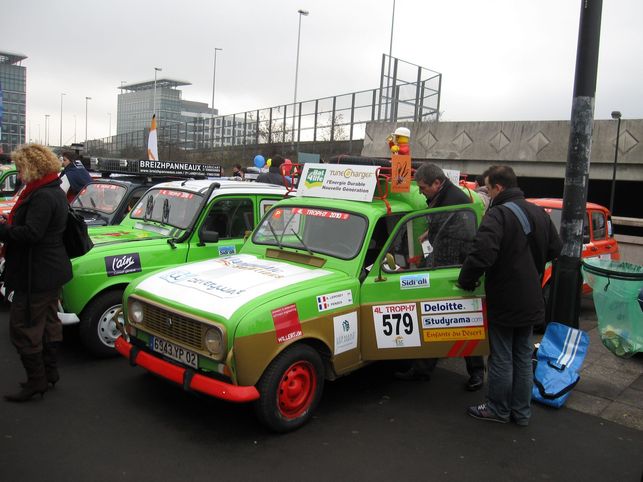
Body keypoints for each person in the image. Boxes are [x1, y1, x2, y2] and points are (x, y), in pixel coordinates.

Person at [458, 165, 562, 425]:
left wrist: (466, 279)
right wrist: (529, 265)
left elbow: (481, 255)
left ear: (498, 187)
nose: (488, 193)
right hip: (531, 298)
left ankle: (498, 409)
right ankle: (521, 412)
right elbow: (555, 248)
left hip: (505, 298)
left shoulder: (498, 215)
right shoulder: (539, 212)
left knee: (502, 355)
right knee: (523, 357)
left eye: (488, 187)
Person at [395, 163, 486, 391]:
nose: (422, 192)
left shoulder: (454, 201)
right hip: (439, 264)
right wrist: (430, 233)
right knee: (431, 320)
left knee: (466, 323)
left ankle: (477, 373)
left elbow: (465, 236)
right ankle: (422, 369)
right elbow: (442, 225)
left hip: (453, 269)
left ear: (437, 183)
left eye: (424, 188)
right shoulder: (442, 196)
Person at [1, 144, 73, 402]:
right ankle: (49, 374)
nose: (19, 174)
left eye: (21, 168)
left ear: (33, 167)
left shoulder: (42, 195)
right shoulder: (51, 189)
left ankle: (36, 381)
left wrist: (3, 230)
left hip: (37, 272)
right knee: (48, 323)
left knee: (24, 326)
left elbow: (32, 234)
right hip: (48, 269)